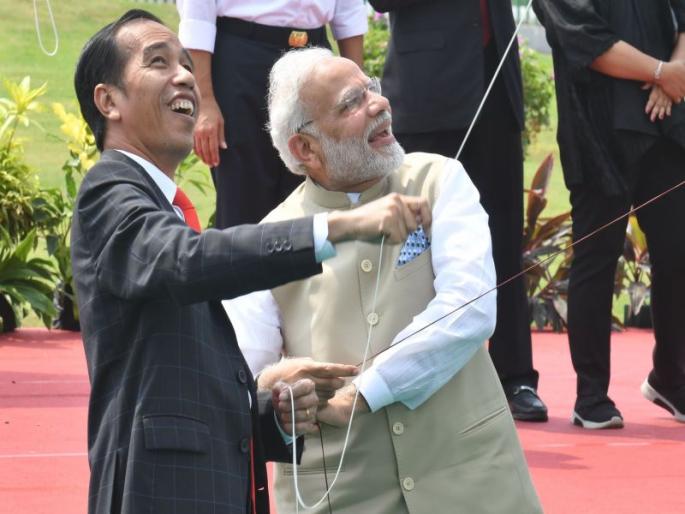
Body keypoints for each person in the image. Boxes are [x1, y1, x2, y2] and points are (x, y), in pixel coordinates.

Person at [71, 10, 431, 513]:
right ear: (108, 101)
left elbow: (185, 381)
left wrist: (270, 411)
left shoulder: (164, 213)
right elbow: (185, 263)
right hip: (159, 491)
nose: (184, 76)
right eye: (158, 62)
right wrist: (338, 227)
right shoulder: (108, 190)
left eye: (185, 62)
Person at [225, 48, 542, 514]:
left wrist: (361, 395)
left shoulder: (441, 178)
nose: (378, 104)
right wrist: (279, 387)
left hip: (471, 480)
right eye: (350, 104)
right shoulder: (271, 240)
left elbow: (470, 310)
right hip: (337, 494)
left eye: (370, 88)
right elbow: (241, 380)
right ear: (305, 148)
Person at [366, 0, 548, 421]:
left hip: (495, 84)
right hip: (427, 88)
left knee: (504, 240)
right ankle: (403, 370)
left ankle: (516, 377)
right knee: (413, 242)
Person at [533, 0, 685, 428]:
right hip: (597, 129)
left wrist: (675, 72)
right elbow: (584, 38)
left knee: (678, 253)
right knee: (597, 257)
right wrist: (660, 72)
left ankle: (671, 378)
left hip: (664, 120)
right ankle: (591, 394)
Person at [176, 0, 367, 229]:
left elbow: (349, 12)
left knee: (317, 194)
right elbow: (197, 14)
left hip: (315, 58)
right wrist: (205, 100)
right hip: (242, 58)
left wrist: (357, 92)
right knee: (243, 200)